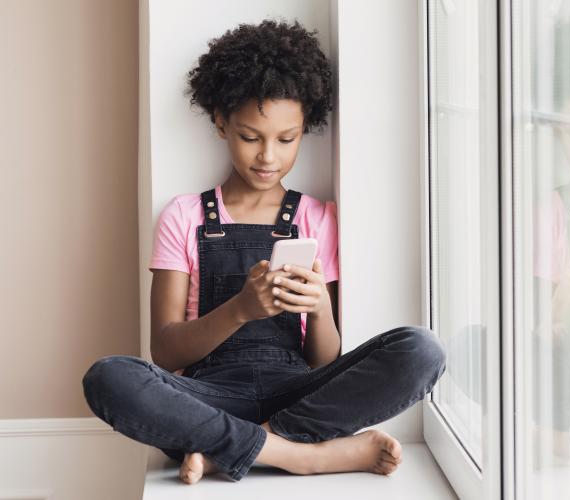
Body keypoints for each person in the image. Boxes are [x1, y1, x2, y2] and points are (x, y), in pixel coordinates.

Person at [81, 19, 446, 485]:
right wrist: (240, 309)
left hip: (297, 397)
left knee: (421, 350)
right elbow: (166, 352)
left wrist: (318, 309)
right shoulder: (184, 215)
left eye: (286, 139)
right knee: (108, 377)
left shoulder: (317, 217)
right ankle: (303, 457)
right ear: (220, 123)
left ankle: (235, 451)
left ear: (304, 128)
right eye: (250, 137)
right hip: (206, 398)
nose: (267, 157)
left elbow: (323, 361)